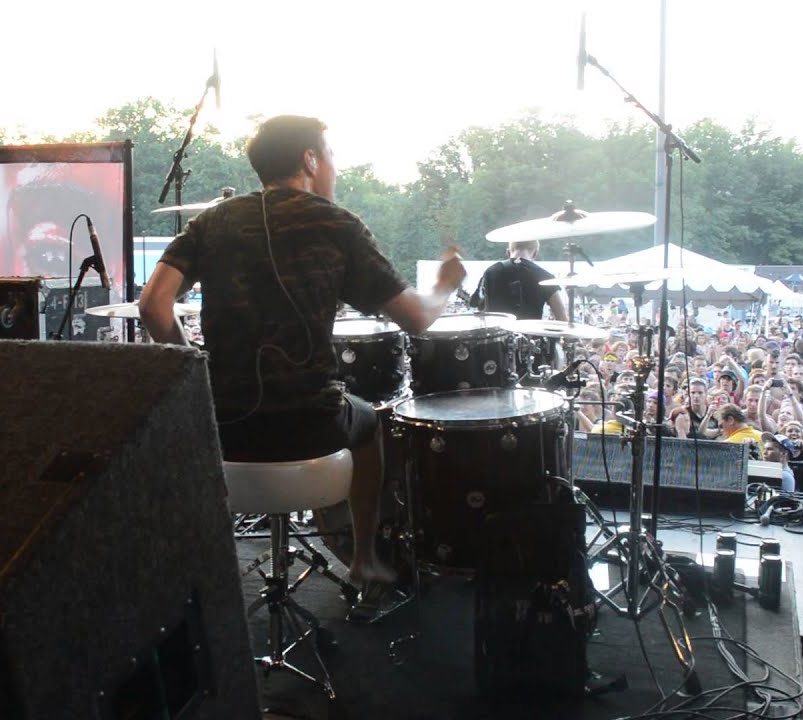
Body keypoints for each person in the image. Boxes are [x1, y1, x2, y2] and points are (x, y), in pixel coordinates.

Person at [137, 115, 466, 584]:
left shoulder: (212, 221)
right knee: (371, 421)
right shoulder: (337, 225)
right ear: (309, 160)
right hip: (308, 424)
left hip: (220, 427)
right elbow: (417, 318)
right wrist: (442, 286)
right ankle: (364, 559)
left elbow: (152, 306)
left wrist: (195, 369)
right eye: (331, 158)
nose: (335, 169)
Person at [467, 239, 568, 320]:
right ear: (535, 254)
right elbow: (561, 316)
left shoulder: (490, 272)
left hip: (496, 342)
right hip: (530, 341)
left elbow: (476, 304)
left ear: (507, 252)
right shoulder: (545, 276)